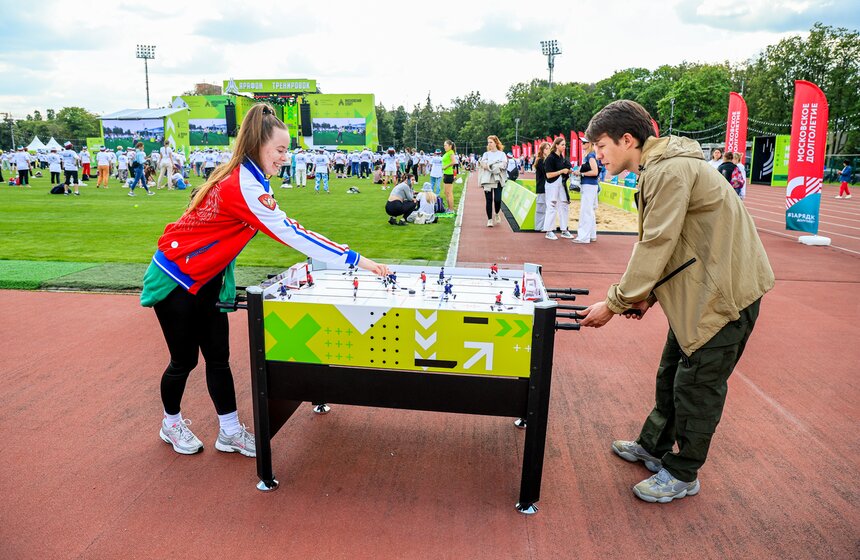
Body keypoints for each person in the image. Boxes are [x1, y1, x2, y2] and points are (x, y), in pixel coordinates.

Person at [141, 103, 389, 457]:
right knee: (184, 361)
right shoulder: (244, 183)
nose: (285, 157)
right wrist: (356, 260)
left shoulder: (250, 177)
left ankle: (228, 432)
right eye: (281, 150)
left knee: (219, 358)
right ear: (258, 145)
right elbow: (292, 233)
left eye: (287, 150)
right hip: (174, 278)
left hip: (208, 278)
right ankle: (171, 423)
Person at [579, 99, 774, 504]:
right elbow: (674, 242)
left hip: (722, 298)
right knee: (671, 373)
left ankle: (683, 474)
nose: (596, 156)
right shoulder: (661, 166)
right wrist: (647, 296)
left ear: (627, 139)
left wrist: (614, 304)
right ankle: (654, 446)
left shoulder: (667, 170)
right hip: (700, 291)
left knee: (697, 387)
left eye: (599, 146)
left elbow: (656, 243)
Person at [542, 137, 574, 240]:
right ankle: (549, 230)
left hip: (561, 184)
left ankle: (564, 229)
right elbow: (548, 175)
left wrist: (567, 171)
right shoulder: (550, 158)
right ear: (556, 145)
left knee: (564, 205)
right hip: (552, 184)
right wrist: (561, 171)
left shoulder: (561, 157)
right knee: (552, 206)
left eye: (565, 145)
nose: (564, 147)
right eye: (562, 145)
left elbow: (566, 169)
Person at [573, 137, 600, 243]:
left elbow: (595, 172)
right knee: (589, 210)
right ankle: (592, 235)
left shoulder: (590, 156)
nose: (582, 144)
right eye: (582, 142)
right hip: (590, 185)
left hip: (589, 185)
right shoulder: (589, 155)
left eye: (584, 142)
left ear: (589, 144)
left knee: (586, 211)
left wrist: (581, 173)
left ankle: (583, 237)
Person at [478, 135, 508, 227]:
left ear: (496, 143)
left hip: (498, 178)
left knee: (497, 199)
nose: (489, 144)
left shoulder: (502, 154)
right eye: (488, 142)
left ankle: (497, 213)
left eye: (491, 142)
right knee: (489, 200)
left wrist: (492, 165)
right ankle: (489, 219)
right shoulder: (486, 154)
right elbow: (483, 165)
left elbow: (503, 165)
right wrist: (493, 165)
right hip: (487, 179)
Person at [533, 142, 551, 232]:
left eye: (549, 148)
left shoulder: (547, 160)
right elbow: (546, 172)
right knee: (541, 208)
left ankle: (545, 225)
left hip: (548, 187)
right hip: (542, 187)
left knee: (547, 208)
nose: (548, 150)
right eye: (546, 148)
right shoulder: (540, 160)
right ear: (542, 150)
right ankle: (539, 226)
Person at [441, 140, 456, 211]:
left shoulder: (451, 152)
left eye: (445, 145)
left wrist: (445, 167)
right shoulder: (447, 153)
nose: (444, 147)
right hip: (446, 174)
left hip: (449, 174)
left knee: (449, 193)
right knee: (446, 192)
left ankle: (451, 209)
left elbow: (453, 162)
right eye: (444, 145)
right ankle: (449, 208)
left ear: (450, 146)